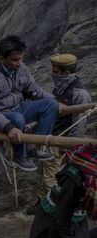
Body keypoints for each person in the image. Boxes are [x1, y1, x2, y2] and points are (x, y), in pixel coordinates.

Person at [0, 35, 59, 171]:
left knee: (51, 105)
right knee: (17, 118)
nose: (19, 63)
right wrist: (8, 127)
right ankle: (20, 155)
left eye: (21, 58)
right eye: (15, 60)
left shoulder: (21, 68)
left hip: (19, 107)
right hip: (0, 115)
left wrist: (56, 101)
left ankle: (34, 147)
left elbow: (34, 88)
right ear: (1, 59)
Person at [27, 53, 92, 215]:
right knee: (45, 172)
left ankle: (51, 211)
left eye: (56, 71)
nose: (53, 74)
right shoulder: (62, 88)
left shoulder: (79, 94)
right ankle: (42, 202)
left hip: (60, 141)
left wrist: (68, 145)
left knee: (52, 176)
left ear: (66, 72)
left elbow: (79, 122)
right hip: (50, 137)